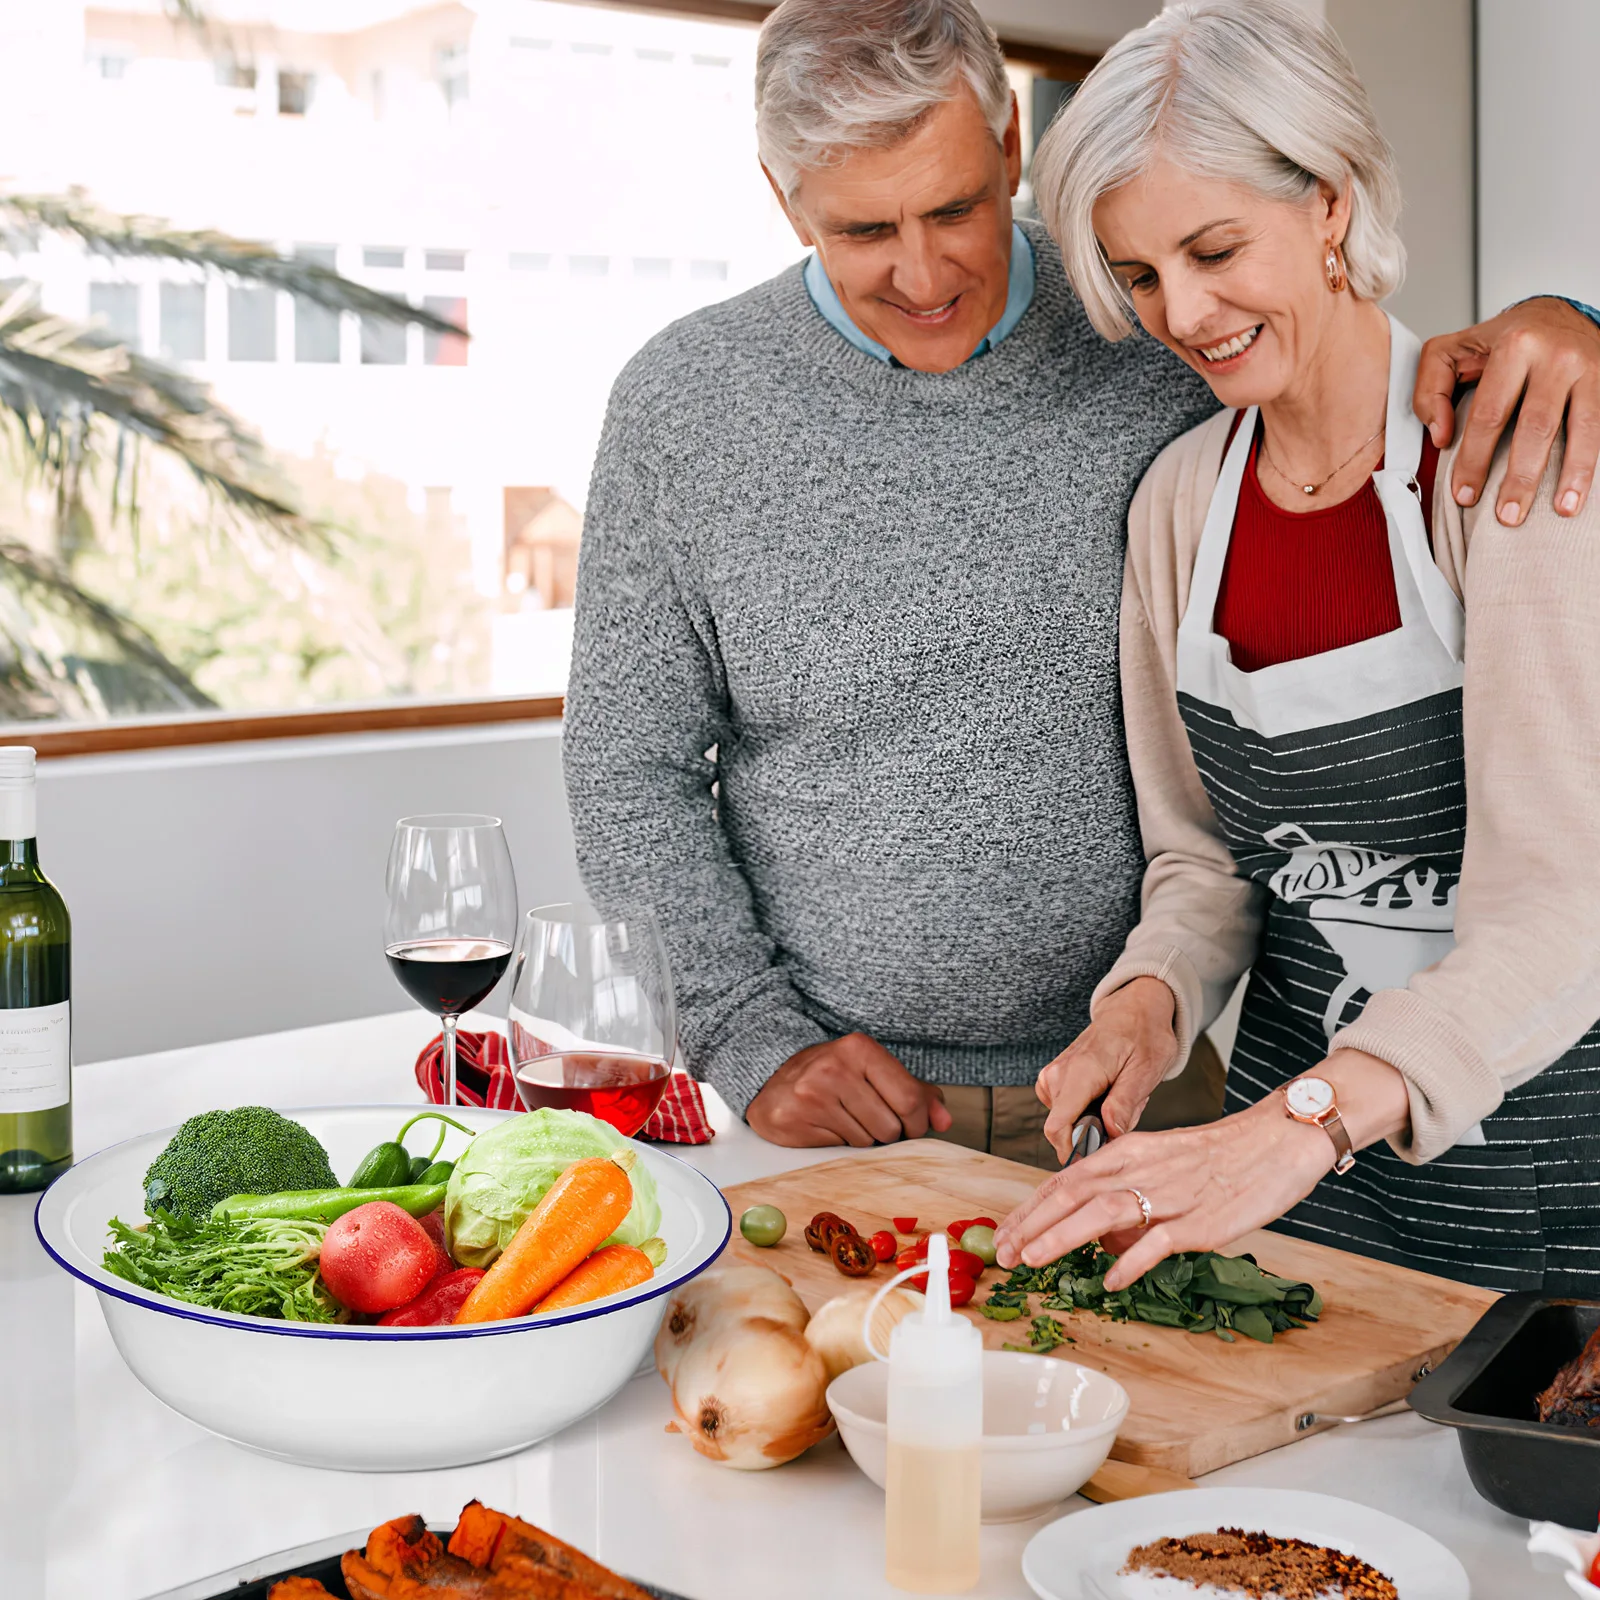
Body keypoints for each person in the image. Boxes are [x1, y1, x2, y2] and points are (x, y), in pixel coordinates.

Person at [564, 0, 1600, 1167]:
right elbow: (625, 766)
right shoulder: (683, 409)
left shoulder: (1142, 324)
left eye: (954, 208)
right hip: (834, 1105)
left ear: (1008, 137)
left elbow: (1351, 373)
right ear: (779, 193)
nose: (920, 273)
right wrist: (747, 1037)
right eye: (859, 231)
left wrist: (1573, 320)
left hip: (1162, 1087)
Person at [997, 0, 1600, 1293]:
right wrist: (1148, 1001)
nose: (1185, 311)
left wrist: (1299, 1126)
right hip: (1276, 1203)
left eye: (1217, 249)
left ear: (1329, 202)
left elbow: (1570, 900)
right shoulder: (1179, 503)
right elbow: (1208, 858)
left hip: (1544, 1188)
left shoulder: (1503, 461)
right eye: (1143, 275)